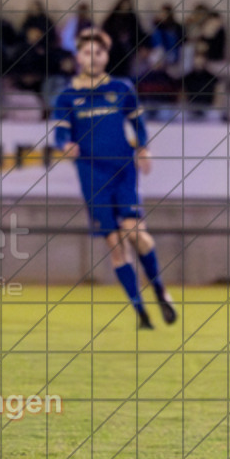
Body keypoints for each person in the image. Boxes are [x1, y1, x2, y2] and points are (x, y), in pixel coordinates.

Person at [52, 28, 177, 329]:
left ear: (106, 56)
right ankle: (141, 312)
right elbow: (59, 133)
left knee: (135, 233)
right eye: (87, 52)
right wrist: (65, 144)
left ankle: (160, 290)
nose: (93, 58)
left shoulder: (121, 89)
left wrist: (144, 148)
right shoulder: (67, 96)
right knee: (115, 245)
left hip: (123, 171)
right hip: (92, 176)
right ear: (78, 56)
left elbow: (139, 123)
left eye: (99, 52)